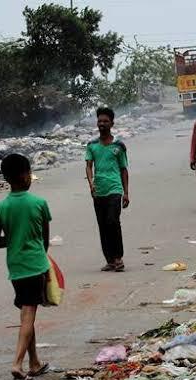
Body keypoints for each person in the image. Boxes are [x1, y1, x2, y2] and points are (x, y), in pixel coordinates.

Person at [0, 154, 51, 380]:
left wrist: (10, 240)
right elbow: (45, 240)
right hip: (35, 264)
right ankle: (17, 364)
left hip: (15, 268)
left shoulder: (1, 206)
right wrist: (44, 265)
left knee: (26, 312)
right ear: (25, 175)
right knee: (28, 315)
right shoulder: (39, 204)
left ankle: (34, 362)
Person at [85, 107, 130, 272]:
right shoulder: (92, 145)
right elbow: (89, 166)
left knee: (113, 221)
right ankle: (110, 260)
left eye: (105, 121)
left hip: (114, 189)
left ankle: (118, 257)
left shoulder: (118, 146)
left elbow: (124, 170)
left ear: (112, 123)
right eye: (100, 121)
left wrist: (126, 192)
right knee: (103, 225)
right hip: (99, 190)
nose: (102, 124)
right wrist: (91, 183)